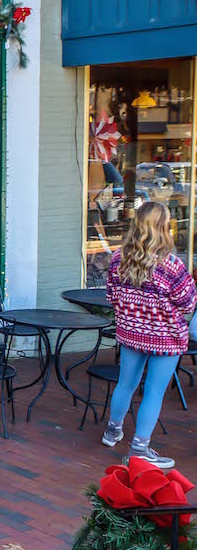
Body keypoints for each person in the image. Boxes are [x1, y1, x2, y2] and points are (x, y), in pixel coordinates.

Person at [102, 201, 196, 469]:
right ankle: (139, 450)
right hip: (166, 337)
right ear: (163, 227)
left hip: (131, 333)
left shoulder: (119, 258)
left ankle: (112, 432)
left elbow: (111, 296)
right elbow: (188, 303)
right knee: (153, 392)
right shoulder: (172, 266)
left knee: (125, 384)